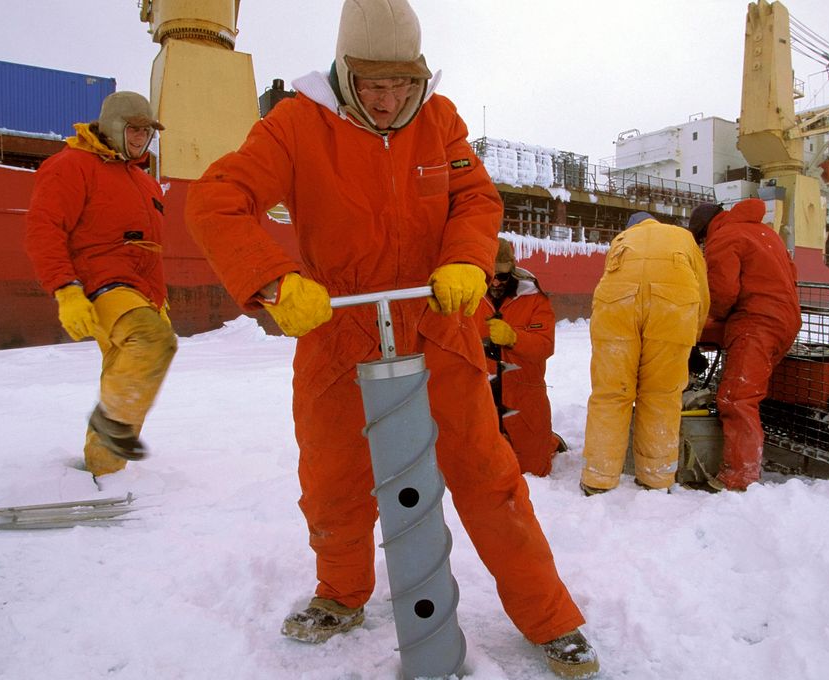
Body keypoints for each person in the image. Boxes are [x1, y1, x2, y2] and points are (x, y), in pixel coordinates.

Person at [183, 1, 597, 676]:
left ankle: (550, 617)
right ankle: (340, 594)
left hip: (438, 327)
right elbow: (217, 199)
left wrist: (466, 258)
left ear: (420, 75)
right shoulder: (296, 123)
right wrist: (275, 281)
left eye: (401, 84)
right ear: (345, 71)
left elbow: (476, 199)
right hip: (335, 331)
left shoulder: (441, 120)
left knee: (490, 480)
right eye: (372, 85)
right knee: (333, 481)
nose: (386, 100)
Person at [24, 91, 177, 477]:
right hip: (99, 284)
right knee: (151, 341)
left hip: (138, 292)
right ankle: (111, 430)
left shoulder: (144, 182)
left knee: (127, 372)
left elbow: (148, 249)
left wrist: (158, 300)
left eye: (147, 131)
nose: (142, 138)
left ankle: (103, 468)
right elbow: (44, 229)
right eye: (134, 129)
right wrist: (65, 289)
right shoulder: (71, 166)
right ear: (113, 126)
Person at [579, 212, 709, 495]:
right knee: (661, 396)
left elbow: (609, 283)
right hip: (672, 309)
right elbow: (702, 292)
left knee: (610, 394)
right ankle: (656, 479)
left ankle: (598, 479)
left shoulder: (622, 240)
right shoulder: (684, 238)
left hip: (616, 307)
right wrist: (692, 338)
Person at [688, 199, 802, 491]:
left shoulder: (724, 237)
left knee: (737, 398)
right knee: (747, 393)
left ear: (704, 231)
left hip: (757, 323)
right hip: (785, 320)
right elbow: (792, 275)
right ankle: (742, 463)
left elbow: (723, 294)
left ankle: (740, 477)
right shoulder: (765, 233)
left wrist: (702, 322)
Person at [474, 237, 567, 476]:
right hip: (479, 393)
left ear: (512, 270)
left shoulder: (535, 298)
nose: (495, 282)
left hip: (524, 394)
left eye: (502, 276)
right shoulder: (469, 295)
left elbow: (545, 346)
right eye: (489, 276)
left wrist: (514, 338)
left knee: (535, 470)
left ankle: (548, 441)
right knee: (478, 469)